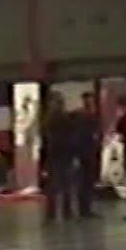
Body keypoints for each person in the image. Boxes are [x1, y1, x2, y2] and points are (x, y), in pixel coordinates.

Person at [40, 92, 76, 224]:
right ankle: (65, 212)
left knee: (55, 186)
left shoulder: (49, 119)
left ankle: (53, 213)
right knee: (62, 185)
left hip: (56, 154)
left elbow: (47, 140)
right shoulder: (63, 118)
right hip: (61, 155)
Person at [72, 92, 102, 219]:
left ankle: (85, 208)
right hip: (85, 153)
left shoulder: (88, 115)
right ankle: (84, 209)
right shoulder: (84, 117)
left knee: (87, 181)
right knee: (85, 181)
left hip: (88, 152)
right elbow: (81, 136)